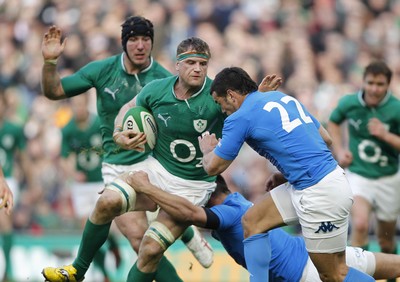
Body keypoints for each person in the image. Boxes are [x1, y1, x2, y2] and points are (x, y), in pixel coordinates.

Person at [41, 17, 212, 282]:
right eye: (134, 39)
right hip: (117, 164)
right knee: (138, 240)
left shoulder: (166, 80)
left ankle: (182, 221)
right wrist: (50, 63)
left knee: (147, 243)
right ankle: (185, 230)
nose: (140, 45)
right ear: (124, 43)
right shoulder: (103, 71)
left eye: (146, 39)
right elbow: (54, 91)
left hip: (155, 165)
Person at [198, 66, 374, 281]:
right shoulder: (282, 98)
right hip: (313, 182)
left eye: (220, 103)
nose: (222, 110)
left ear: (231, 96)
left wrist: (208, 150)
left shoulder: (239, 118)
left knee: (333, 274)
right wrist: (288, 172)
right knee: (253, 221)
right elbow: (325, 139)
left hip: (319, 193)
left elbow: (213, 168)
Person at [128, 171, 400, 281]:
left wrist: (146, 187)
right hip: (319, 252)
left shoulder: (230, 212)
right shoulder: (240, 203)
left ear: (207, 191)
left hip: (310, 274)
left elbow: (187, 212)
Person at [327, 61, 400, 282]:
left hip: (388, 177)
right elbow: (333, 121)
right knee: (359, 224)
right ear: (363, 82)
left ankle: (391, 274)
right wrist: (340, 149)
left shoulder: (396, 108)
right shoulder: (350, 102)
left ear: (388, 84)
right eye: (370, 83)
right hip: (358, 174)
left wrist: (385, 135)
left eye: (380, 84)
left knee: (386, 240)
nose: (375, 89)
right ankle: (357, 278)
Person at [60, 94, 121, 281]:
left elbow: (111, 148)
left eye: (80, 104)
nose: (77, 108)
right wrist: (72, 173)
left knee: (104, 226)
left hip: (100, 181)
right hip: (81, 186)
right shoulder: (68, 129)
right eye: (74, 104)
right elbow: (65, 157)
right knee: (88, 233)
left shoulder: (99, 124)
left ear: (86, 103)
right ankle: (104, 274)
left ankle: (114, 246)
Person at [0, 91, 28, 281]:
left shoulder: (14, 129)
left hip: (7, 181)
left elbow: (23, 158)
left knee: (4, 221)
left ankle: (8, 270)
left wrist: (31, 183)